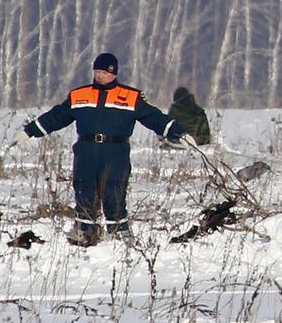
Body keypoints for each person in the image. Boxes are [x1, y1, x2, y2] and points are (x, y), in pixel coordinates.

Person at [11, 53, 194, 246]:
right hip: (86, 150)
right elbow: (56, 116)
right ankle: (84, 232)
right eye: (97, 72)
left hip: (115, 151)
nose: (101, 76)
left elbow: (155, 118)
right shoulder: (79, 95)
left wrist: (179, 133)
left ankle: (119, 233)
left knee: (114, 190)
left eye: (105, 73)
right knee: (84, 189)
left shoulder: (131, 96)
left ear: (114, 74)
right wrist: (30, 131)